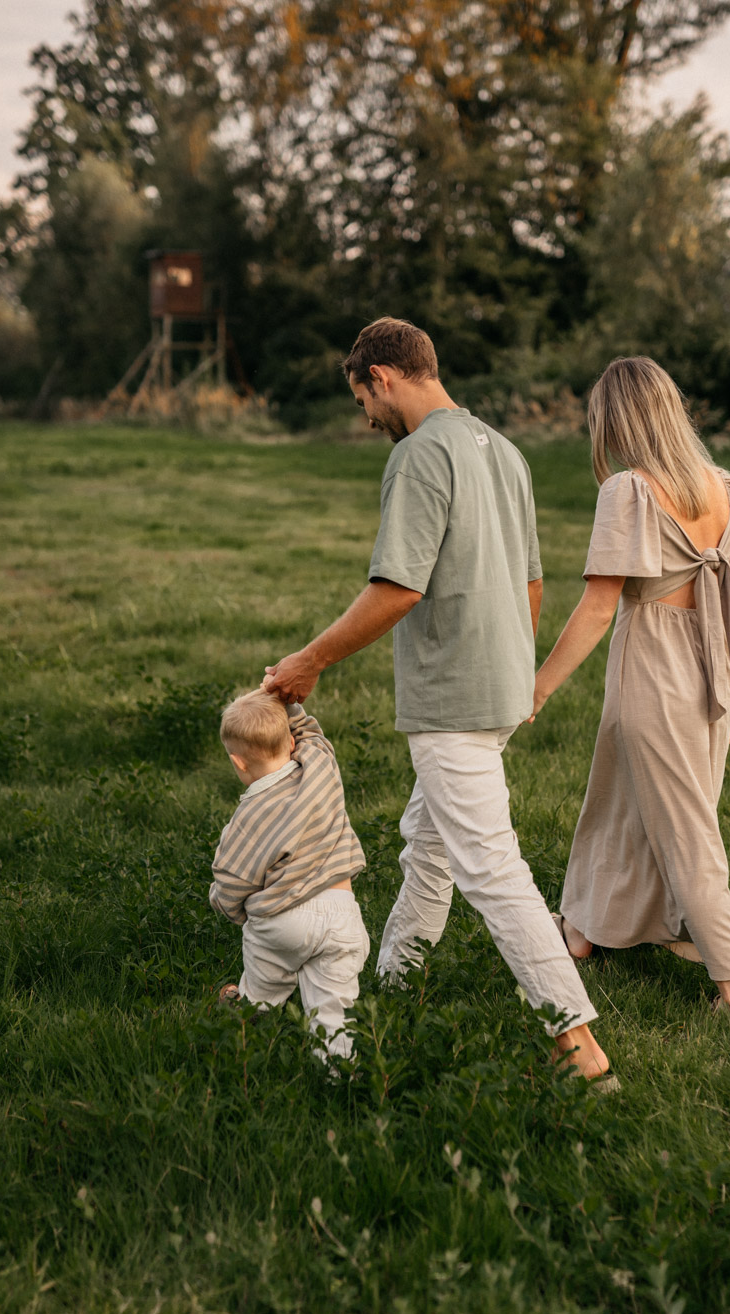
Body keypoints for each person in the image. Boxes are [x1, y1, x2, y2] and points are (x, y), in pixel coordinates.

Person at [263, 316, 612, 1084]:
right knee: (429, 845)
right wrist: (517, 671)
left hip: (452, 696)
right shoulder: (504, 449)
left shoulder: (419, 456)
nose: (367, 420)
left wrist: (310, 660)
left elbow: (398, 587)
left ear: (381, 377)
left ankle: (578, 1042)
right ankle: (393, 982)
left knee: (491, 867)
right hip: (499, 688)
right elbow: (532, 579)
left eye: (364, 402)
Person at [529, 357, 730, 1020]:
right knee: (617, 801)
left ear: (613, 421)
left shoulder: (629, 491)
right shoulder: (722, 487)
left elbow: (600, 607)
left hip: (655, 672)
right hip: (708, 670)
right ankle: (582, 927)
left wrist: (540, 686)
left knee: (684, 828)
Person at [209, 688, 368, 1059]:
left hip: (282, 921)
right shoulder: (322, 767)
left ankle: (251, 1008)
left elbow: (231, 880)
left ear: (239, 762)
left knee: (265, 976)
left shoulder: (246, 820)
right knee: (334, 1008)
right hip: (341, 914)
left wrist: (230, 909)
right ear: (293, 739)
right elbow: (312, 733)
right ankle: (341, 1072)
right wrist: (284, 697)